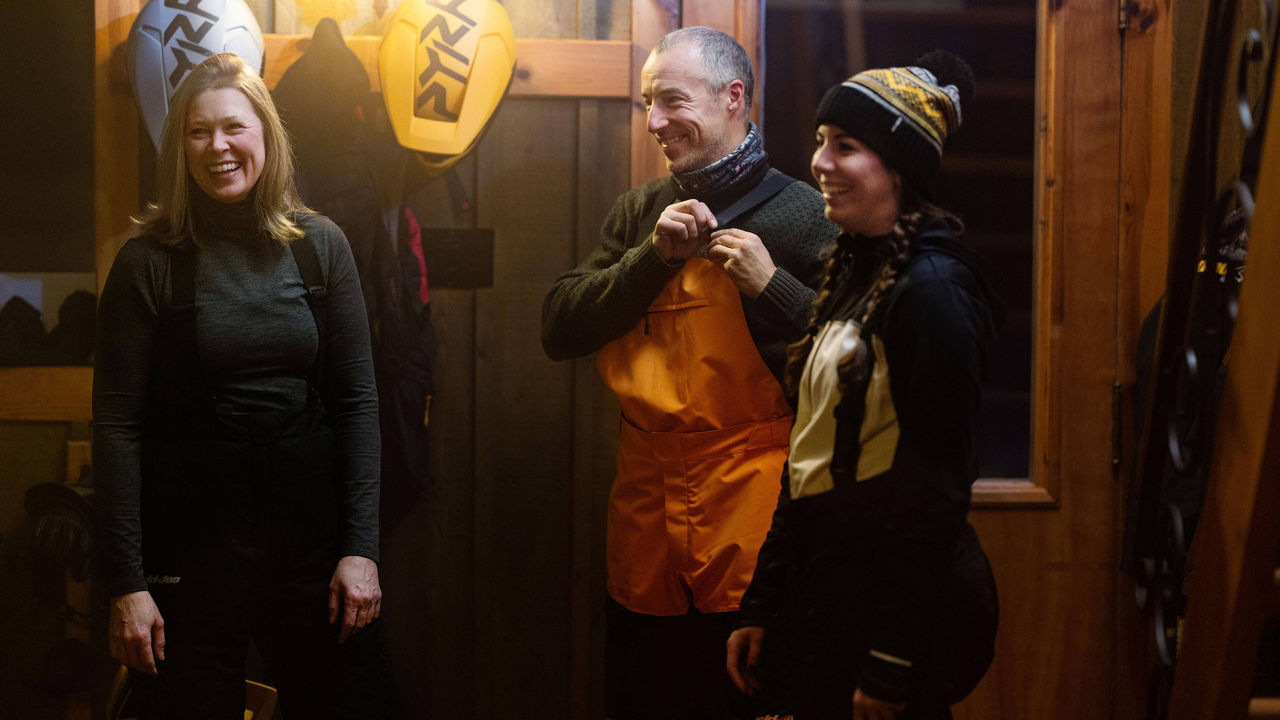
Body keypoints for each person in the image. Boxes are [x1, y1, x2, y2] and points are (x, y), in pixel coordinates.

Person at [541, 26, 836, 720]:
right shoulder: (640, 212)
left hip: (755, 529)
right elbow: (560, 326)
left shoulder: (802, 216)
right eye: (648, 103)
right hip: (645, 526)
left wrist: (773, 285)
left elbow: (865, 354)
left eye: (672, 100)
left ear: (734, 97)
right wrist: (651, 259)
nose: (655, 122)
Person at [94, 53, 393, 719]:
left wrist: (360, 552)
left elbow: (357, 404)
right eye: (198, 133)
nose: (217, 147)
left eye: (233, 127)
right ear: (180, 148)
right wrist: (127, 583)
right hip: (191, 547)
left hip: (309, 542)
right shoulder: (147, 263)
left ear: (264, 134)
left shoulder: (321, 246)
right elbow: (118, 427)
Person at [725, 51, 1002, 720]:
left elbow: (933, 491)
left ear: (899, 170)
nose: (819, 162)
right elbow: (809, 460)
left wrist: (891, 663)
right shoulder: (859, 271)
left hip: (896, 610)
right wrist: (765, 601)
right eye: (821, 142)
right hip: (832, 594)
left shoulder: (932, 290)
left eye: (845, 146)